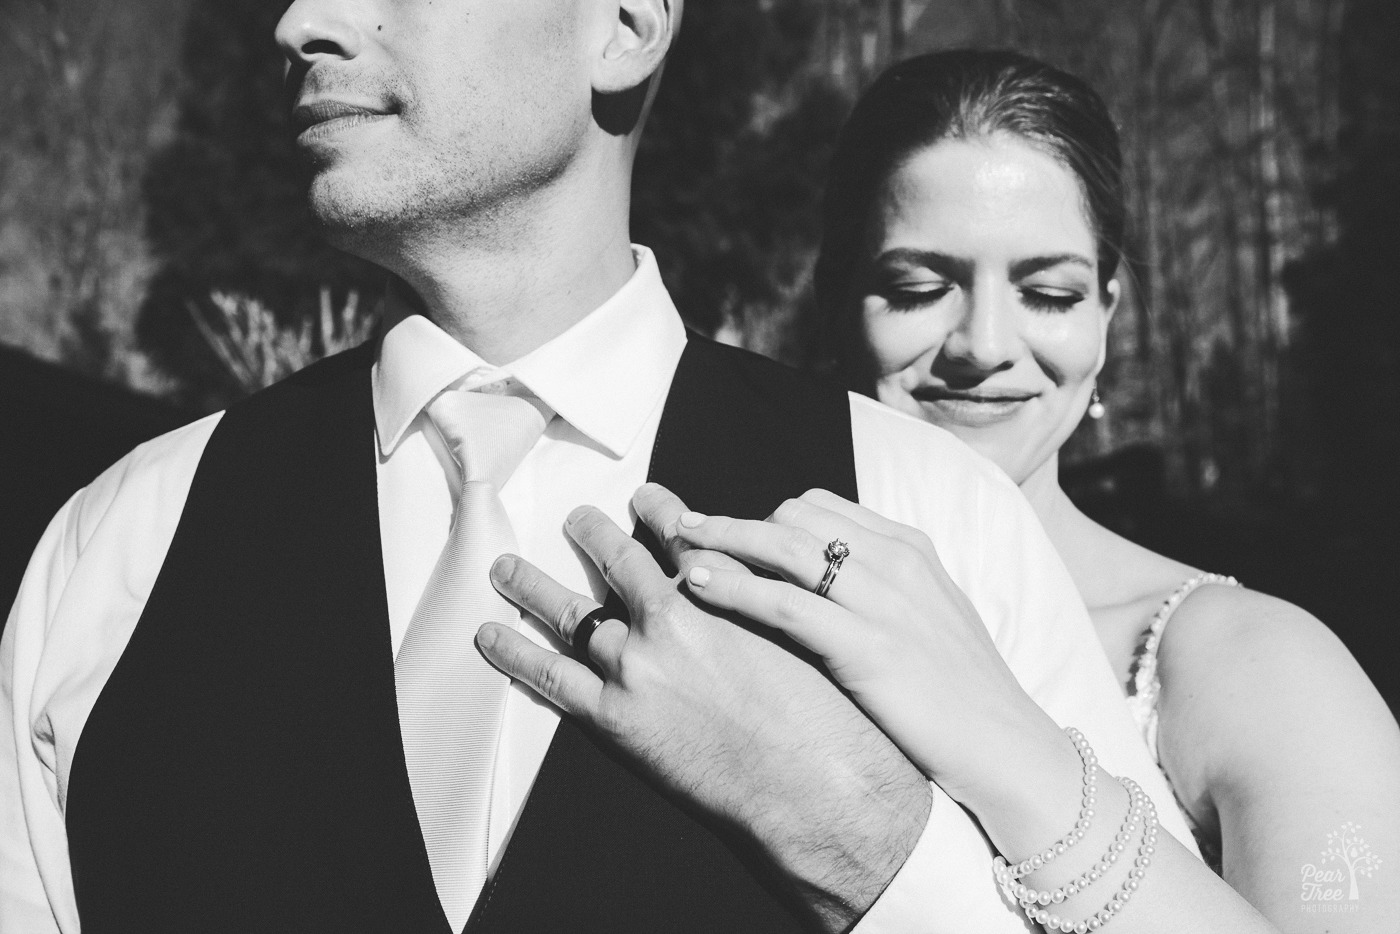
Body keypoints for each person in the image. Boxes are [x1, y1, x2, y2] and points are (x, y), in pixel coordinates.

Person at [0, 7, 1193, 933]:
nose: (300, 20)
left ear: (624, 21)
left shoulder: (929, 515)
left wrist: (870, 842)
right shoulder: (118, 542)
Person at [618, 49, 1400, 932]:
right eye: (919, 288)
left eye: (1048, 292)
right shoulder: (728, 600)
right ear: (835, 297)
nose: (984, 343)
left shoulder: (1260, 668)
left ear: (1106, 314)